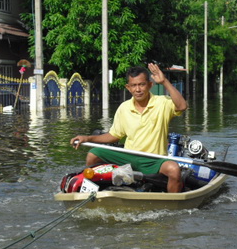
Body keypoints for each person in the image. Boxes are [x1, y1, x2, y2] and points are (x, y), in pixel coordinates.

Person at [71, 63, 188, 193]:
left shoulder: (162, 103)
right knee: (93, 154)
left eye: (142, 84)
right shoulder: (124, 107)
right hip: (128, 157)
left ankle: (172, 205)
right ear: (128, 88)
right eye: (134, 85)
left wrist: (165, 81)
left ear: (150, 85)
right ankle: (90, 191)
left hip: (155, 159)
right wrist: (87, 138)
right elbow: (113, 135)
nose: (138, 89)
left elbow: (182, 106)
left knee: (174, 170)